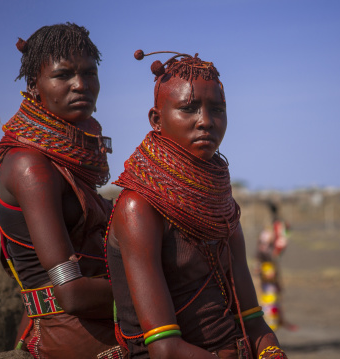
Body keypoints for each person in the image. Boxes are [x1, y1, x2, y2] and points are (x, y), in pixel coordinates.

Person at [105, 50, 287, 358]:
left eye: (217, 109)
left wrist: (271, 352)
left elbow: (253, 323)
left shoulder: (221, 204)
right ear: (156, 120)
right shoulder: (139, 207)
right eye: (189, 109)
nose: (206, 122)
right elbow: (166, 349)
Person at [0, 23, 121, 358]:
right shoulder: (31, 167)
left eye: (89, 73)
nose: (81, 85)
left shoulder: (66, 165)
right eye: (63, 75)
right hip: (76, 343)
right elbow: (72, 294)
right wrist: (159, 285)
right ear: (34, 84)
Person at [256, 203, 297, 332]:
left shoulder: (275, 227)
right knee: (269, 294)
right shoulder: (274, 228)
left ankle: (275, 323)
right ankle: (272, 324)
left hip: (267, 264)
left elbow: (280, 242)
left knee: (271, 294)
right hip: (266, 265)